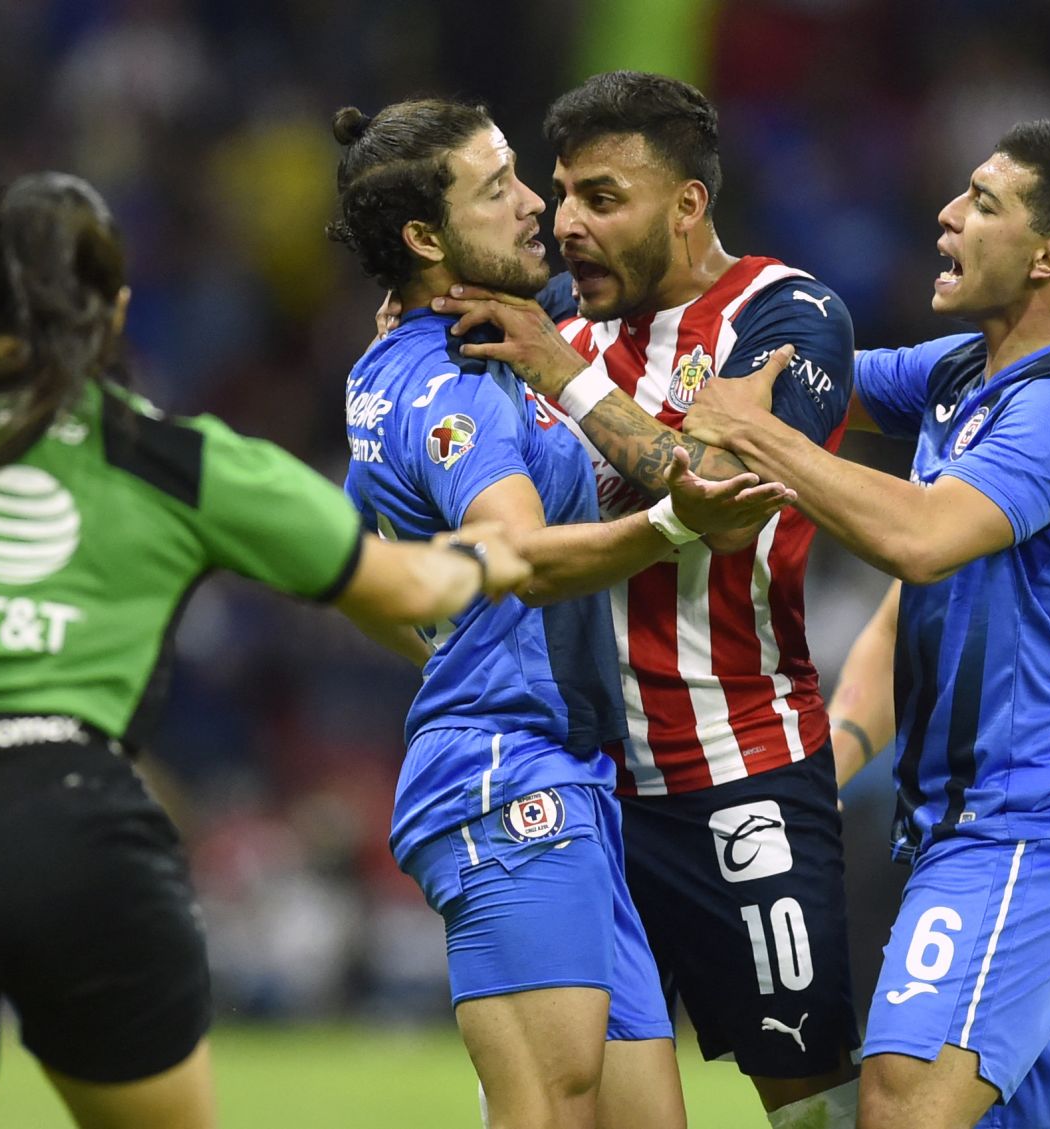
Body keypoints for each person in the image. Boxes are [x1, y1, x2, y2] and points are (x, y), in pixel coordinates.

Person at [0, 173, 532, 1129]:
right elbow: (408, 586)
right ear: (119, 313)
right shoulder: (172, 454)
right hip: (73, 831)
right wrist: (491, 553)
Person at [326, 98, 794, 1129]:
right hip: (508, 780)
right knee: (546, 1107)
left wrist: (454, 650)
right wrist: (677, 525)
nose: (535, 204)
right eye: (497, 188)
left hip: (564, 773)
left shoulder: (423, 357)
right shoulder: (458, 378)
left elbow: (357, 573)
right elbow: (522, 554)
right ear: (423, 237)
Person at [683, 120, 1050, 1128]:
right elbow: (817, 380)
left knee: (896, 1099)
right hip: (971, 833)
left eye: (982, 201)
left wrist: (751, 427)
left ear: (1048, 256)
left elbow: (923, 537)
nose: (946, 214)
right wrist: (685, 306)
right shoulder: (959, 377)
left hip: (1027, 829)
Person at [424, 71, 862, 1128]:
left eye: (603, 198)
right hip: (577, 789)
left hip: (737, 775)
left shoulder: (785, 315)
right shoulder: (556, 334)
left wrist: (555, 371)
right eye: (561, 193)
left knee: (812, 1104)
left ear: (686, 206)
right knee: (559, 1100)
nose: (569, 224)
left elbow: (715, 487)